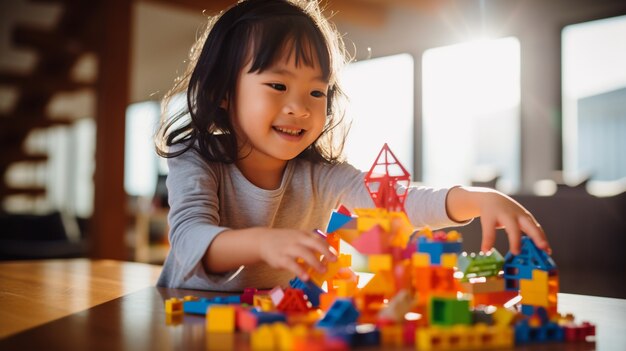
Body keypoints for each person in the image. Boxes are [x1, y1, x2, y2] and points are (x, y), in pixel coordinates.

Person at [155, 0, 550, 291]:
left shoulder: (322, 175)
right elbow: (190, 239)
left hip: (274, 320)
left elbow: (394, 201)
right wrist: (264, 243)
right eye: (278, 85)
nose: (300, 107)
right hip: (184, 316)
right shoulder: (197, 158)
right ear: (223, 92)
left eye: (316, 91)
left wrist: (474, 198)